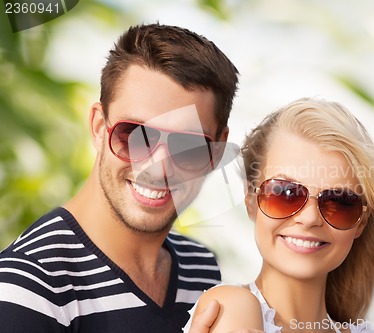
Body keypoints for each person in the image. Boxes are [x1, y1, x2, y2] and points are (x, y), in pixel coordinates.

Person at [0, 23, 239, 332]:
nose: (159, 167)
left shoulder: (201, 268)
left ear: (216, 150)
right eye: (135, 135)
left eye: (188, 145)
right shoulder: (26, 289)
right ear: (100, 127)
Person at [184, 98, 374, 333]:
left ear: (360, 221)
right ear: (250, 199)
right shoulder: (231, 307)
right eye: (284, 193)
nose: (309, 218)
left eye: (339, 202)